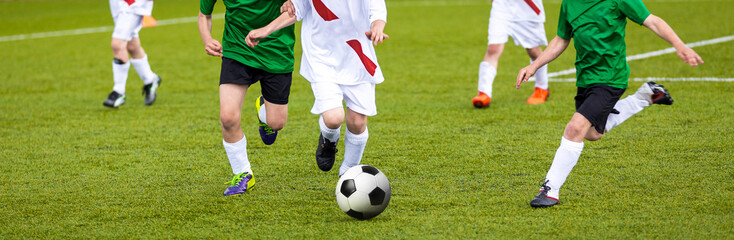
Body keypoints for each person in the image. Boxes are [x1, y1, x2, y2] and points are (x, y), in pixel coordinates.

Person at [516, 0, 703, 207]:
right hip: (585, 78)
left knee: (575, 128)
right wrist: (534, 66)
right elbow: (561, 38)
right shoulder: (569, 3)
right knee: (592, 134)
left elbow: (653, 21)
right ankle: (645, 96)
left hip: (611, 78)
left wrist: (679, 45)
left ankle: (549, 190)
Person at [246, 0, 388, 176]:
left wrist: (377, 27)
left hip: (358, 58)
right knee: (333, 118)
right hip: (322, 57)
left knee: (358, 123)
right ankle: (329, 141)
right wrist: (266, 30)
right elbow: (297, 9)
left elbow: (377, 11)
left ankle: (349, 172)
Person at [198, 0, 296, 195]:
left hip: (277, 52)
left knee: (277, 123)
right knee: (228, 117)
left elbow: (301, 8)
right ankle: (243, 173)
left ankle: (264, 112)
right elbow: (204, 15)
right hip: (237, 50)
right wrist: (207, 39)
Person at [472, 0, 550, 108]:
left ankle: (542, 87)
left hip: (527, 8)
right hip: (502, 6)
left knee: (533, 51)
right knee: (493, 48)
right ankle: (484, 92)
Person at [104, 0, 162, 108]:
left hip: (134, 4)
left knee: (117, 44)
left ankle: (118, 91)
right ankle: (150, 79)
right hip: (117, 3)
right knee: (131, 45)